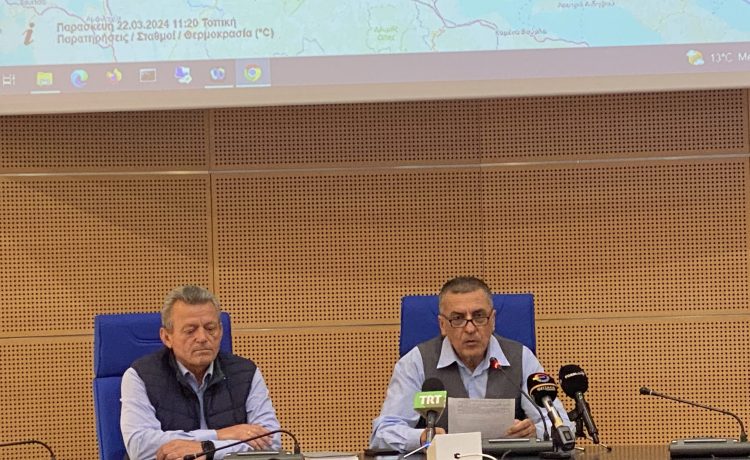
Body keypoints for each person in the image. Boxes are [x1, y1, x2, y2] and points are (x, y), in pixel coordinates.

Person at [369, 276, 573, 452]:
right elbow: (382, 434)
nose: (470, 328)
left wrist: (535, 431)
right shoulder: (416, 362)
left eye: (479, 316)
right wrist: (422, 438)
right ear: (442, 325)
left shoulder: (521, 357)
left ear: (492, 320)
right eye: (458, 318)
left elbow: (563, 427)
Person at [120, 285, 281, 460]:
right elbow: (139, 447)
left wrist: (207, 449)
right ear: (167, 337)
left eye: (210, 328)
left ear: (220, 331)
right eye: (190, 331)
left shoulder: (246, 373)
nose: (202, 338)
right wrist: (219, 435)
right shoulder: (140, 376)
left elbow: (271, 443)